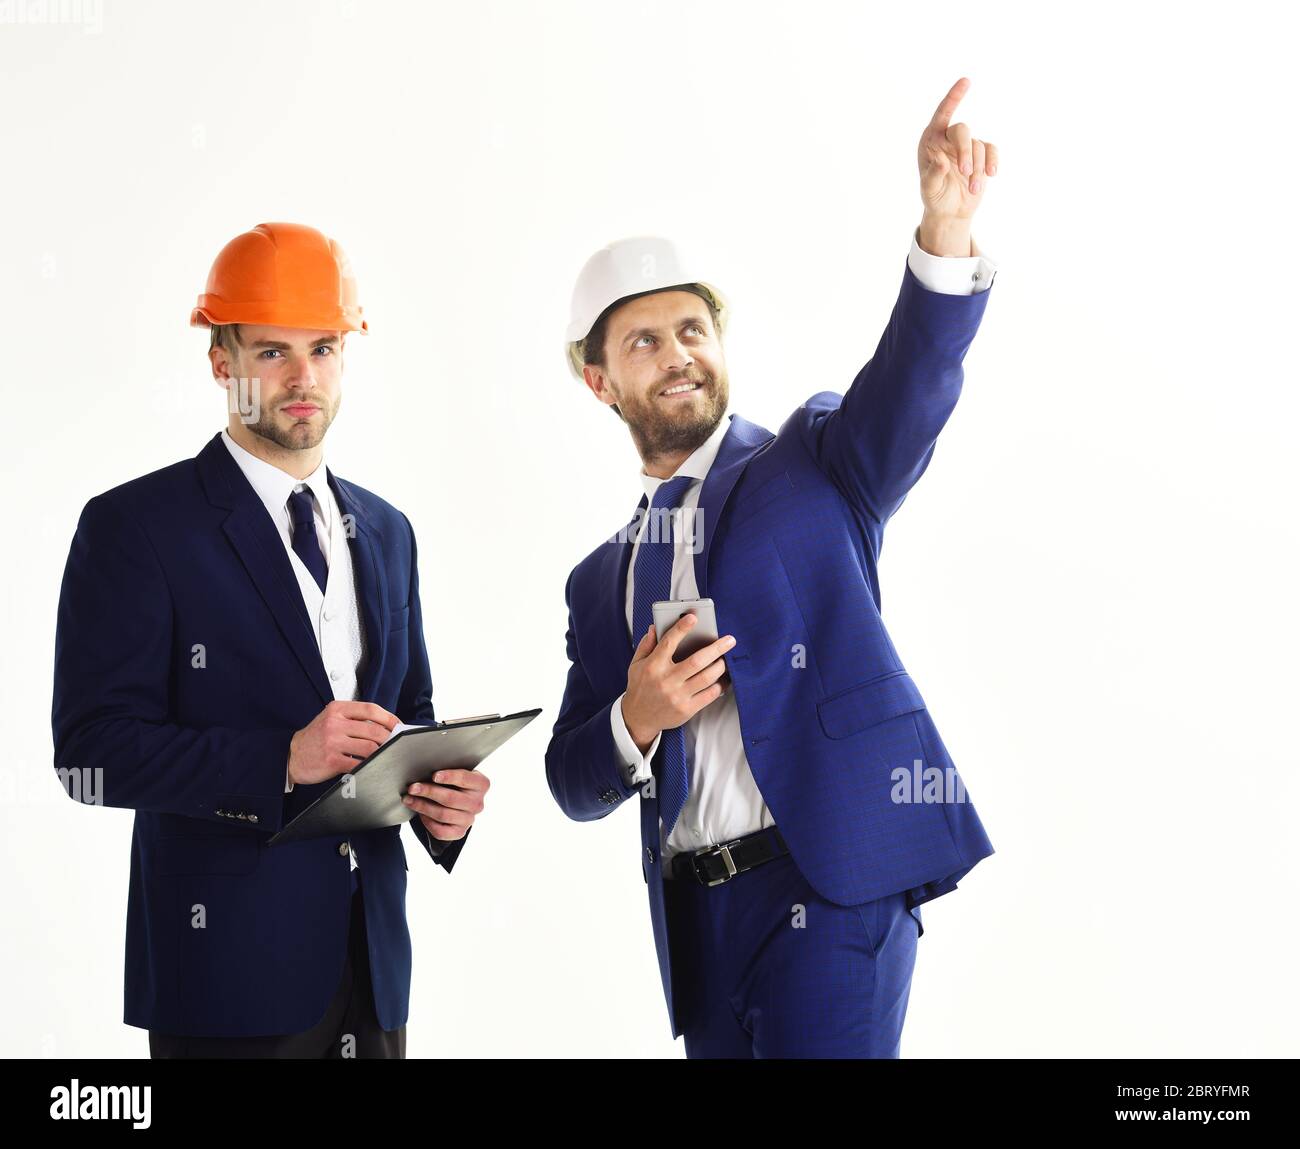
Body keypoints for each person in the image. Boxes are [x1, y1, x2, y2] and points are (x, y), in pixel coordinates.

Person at [546, 78, 998, 1057]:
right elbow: (571, 777)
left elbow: (909, 392)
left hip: (830, 886)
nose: (677, 355)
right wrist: (637, 718)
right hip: (700, 932)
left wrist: (943, 237)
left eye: (692, 330)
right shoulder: (601, 579)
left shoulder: (813, 461)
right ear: (599, 379)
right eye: (644, 340)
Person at [51, 221, 489, 1058]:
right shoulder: (135, 527)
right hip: (222, 979)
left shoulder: (387, 530)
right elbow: (90, 752)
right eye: (272, 353)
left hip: (372, 967)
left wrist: (442, 803)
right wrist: (281, 759)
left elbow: (409, 717)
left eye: (323, 348)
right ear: (222, 363)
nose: (302, 379)